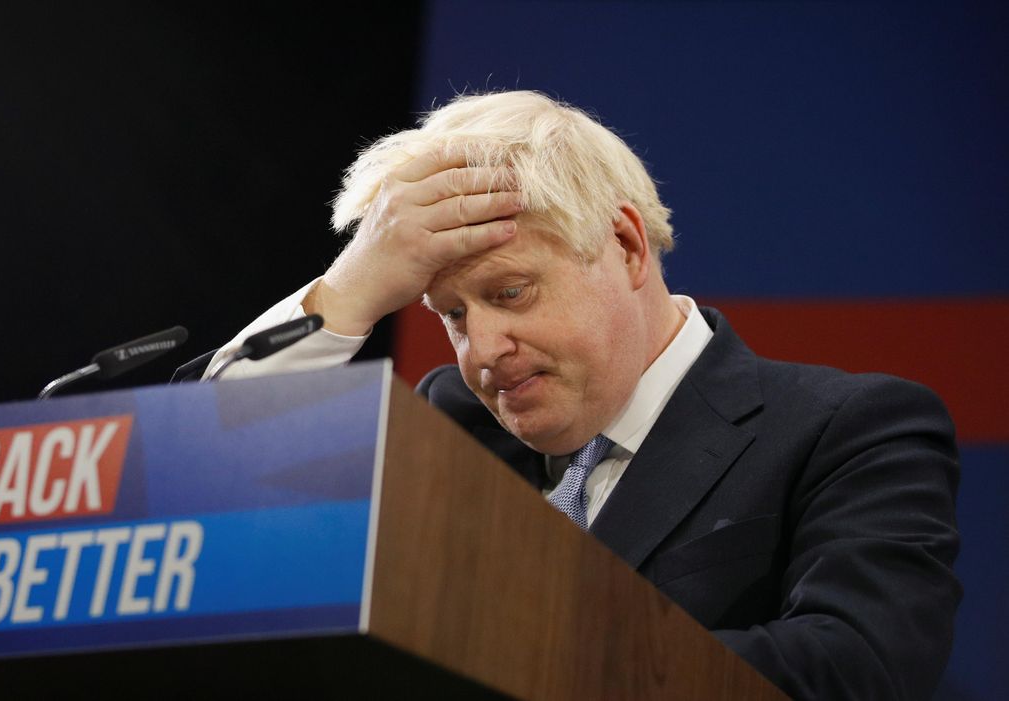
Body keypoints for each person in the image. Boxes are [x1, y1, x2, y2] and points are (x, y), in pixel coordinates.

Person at [203, 91, 961, 700]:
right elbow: (209, 476)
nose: (483, 351)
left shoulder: (848, 429)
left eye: (511, 292)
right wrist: (349, 290)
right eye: (453, 316)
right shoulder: (450, 422)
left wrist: (507, 664)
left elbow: (858, 669)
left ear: (626, 246)